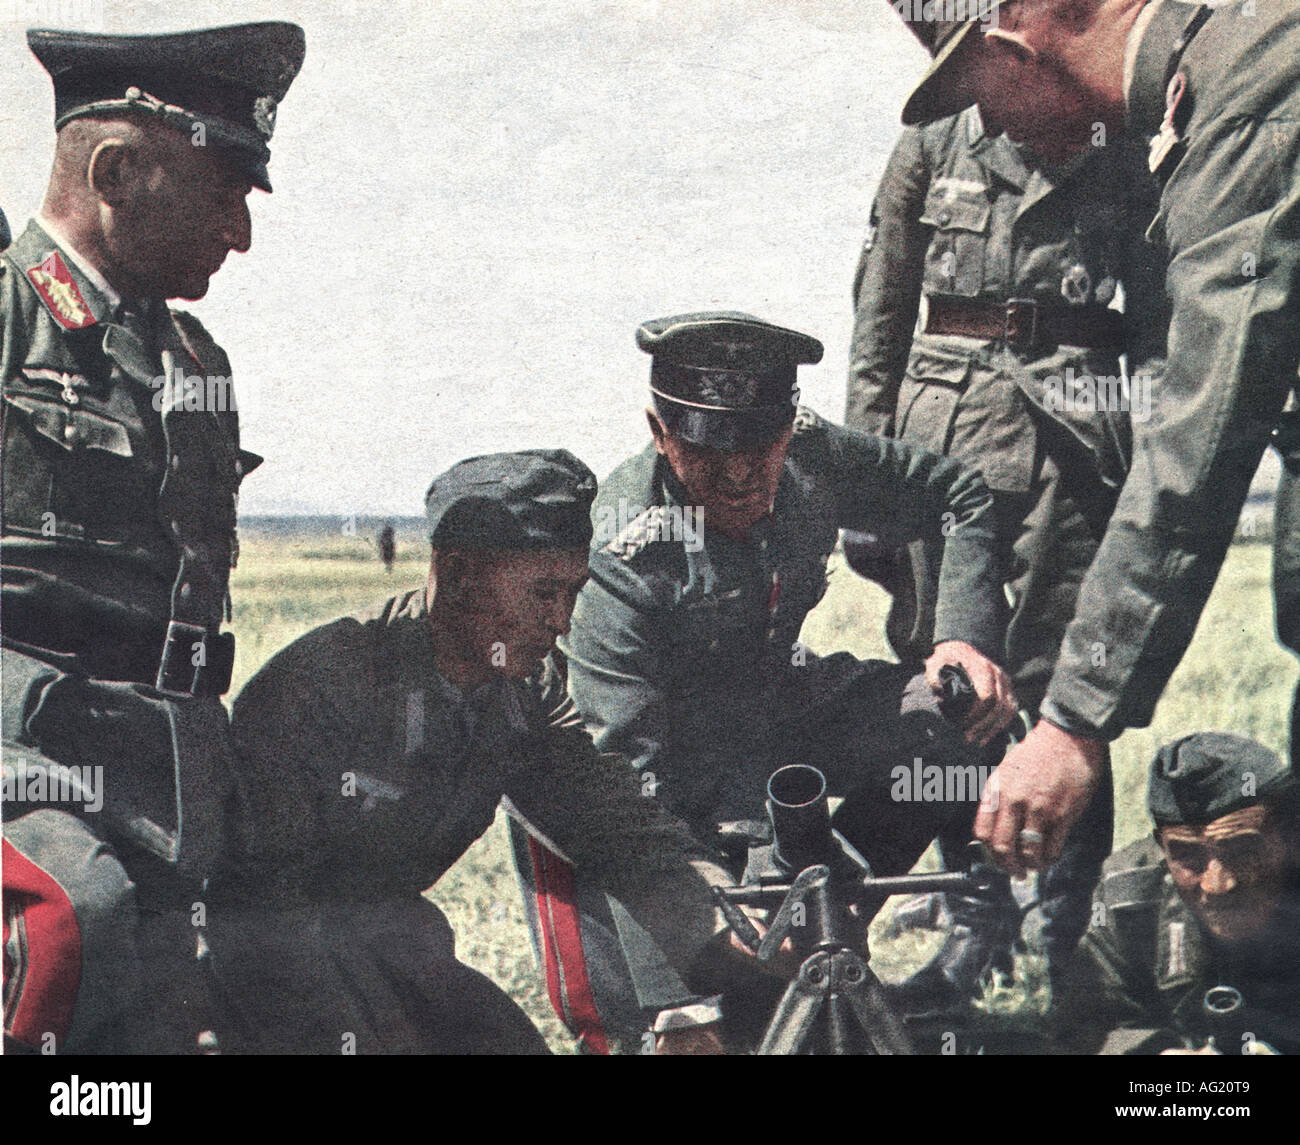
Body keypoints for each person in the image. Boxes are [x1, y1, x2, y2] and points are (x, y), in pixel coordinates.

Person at [881, 0, 1300, 879]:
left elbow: (1203, 424)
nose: (984, 120)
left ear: (1015, 48)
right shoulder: (1239, 54)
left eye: (978, 87)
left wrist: (1072, 720)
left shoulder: (1250, 93)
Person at [548, 311, 1019, 1035]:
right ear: (659, 429)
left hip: (778, 697)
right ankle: (764, 941)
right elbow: (625, 790)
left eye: (761, 442)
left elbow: (958, 496)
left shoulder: (813, 450)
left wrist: (961, 635)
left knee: (956, 712)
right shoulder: (622, 555)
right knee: (710, 1018)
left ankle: (835, 898)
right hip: (669, 757)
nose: (740, 472)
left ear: (789, 424)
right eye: (710, 449)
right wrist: (699, 959)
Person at [208, 450, 739, 1055]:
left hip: (391, 943)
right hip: (263, 968)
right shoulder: (323, 685)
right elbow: (257, 903)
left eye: (572, 593)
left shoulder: (522, 694)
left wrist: (722, 907)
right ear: (459, 576)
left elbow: (612, 825)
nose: (562, 623)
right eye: (544, 592)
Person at [1, 22, 305, 1053]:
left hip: (161, 768)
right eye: (222, 189)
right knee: (70, 922)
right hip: (23, 763)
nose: (241, 231)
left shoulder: (191, 361)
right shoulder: (8, 317)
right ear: (119, 171)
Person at [845, 83, 1167, 999]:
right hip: (943, 446)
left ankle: (1066, 934)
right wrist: (869, 477)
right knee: (950, 686)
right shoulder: (933, 139)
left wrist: (1142, 449)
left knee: (1067, 689)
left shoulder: (1115, 138)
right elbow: (881, 311)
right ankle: (973, 926)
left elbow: (1155, 321)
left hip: (1074, 445)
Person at [1053, 732, 1300, 1055]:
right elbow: (1086, 1027)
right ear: (1161, 847)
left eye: (1240, 850)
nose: (1216, 884)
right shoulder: (1129, 898)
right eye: (1188, 855)